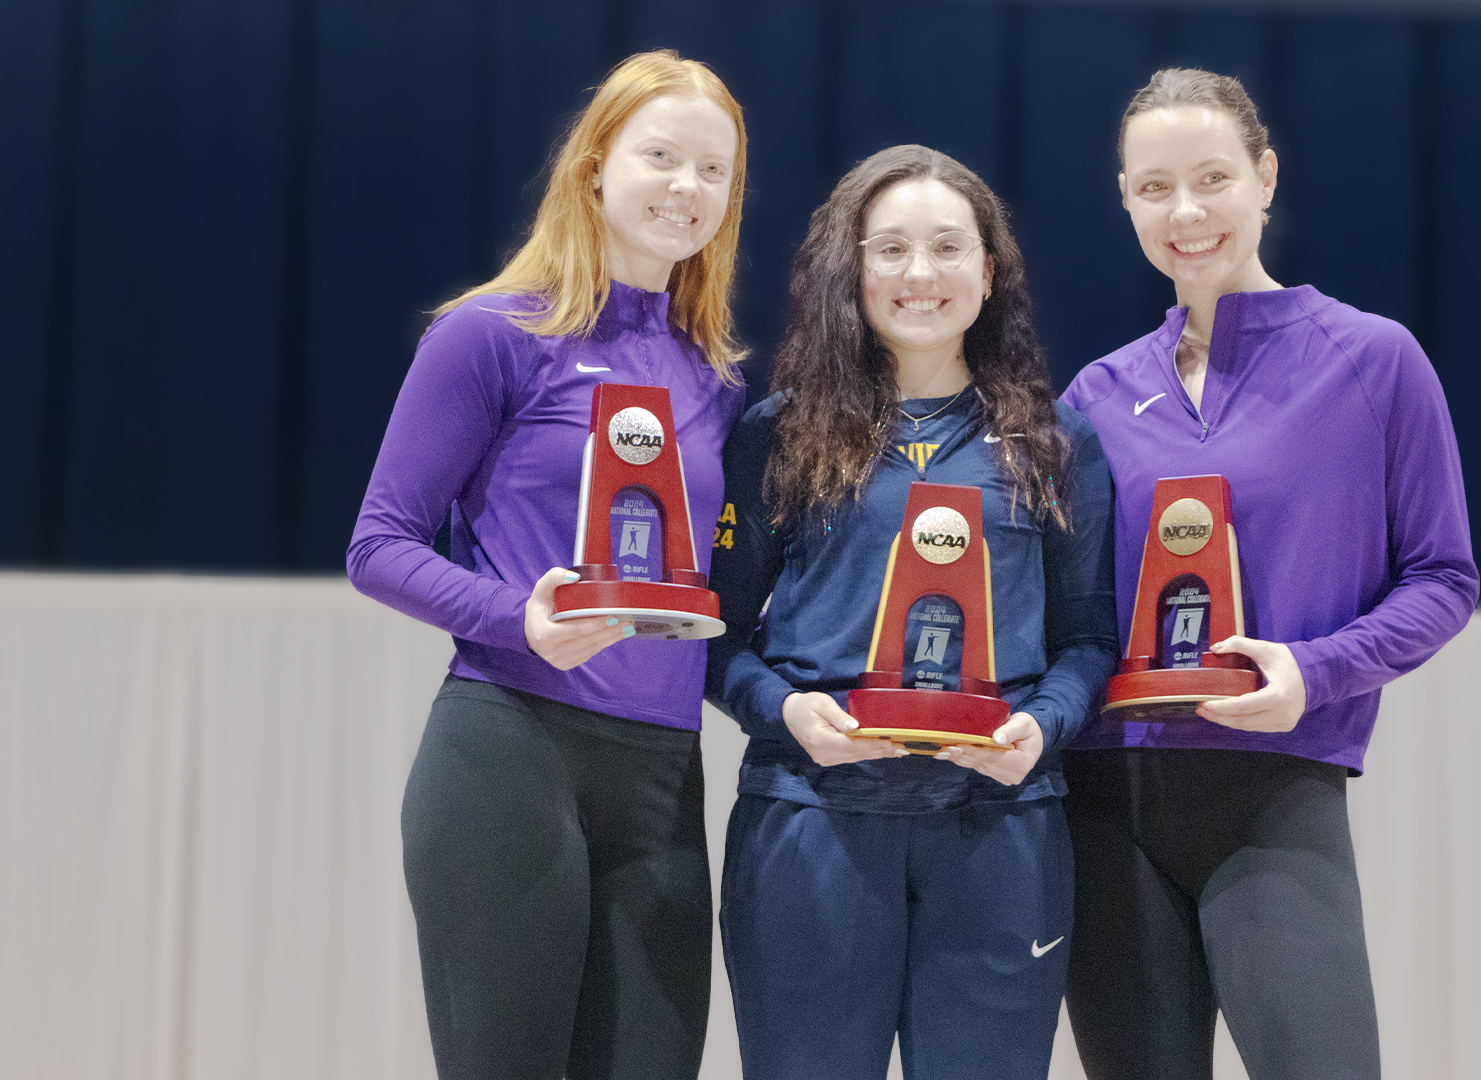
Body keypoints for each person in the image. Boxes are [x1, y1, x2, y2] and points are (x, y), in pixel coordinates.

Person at [1057, 68, 1480, 1080]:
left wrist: (1315, 671)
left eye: (1212, 178)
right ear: (1125, 199)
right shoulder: (1093, 398)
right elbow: (1061, 615)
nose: (1186, 211)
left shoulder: (1375, 363)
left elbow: (1442, 578)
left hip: (1277, 798)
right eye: (1153, 188)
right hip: (1106, 806)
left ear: (1266, 177)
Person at [345, 50, 748, 1080]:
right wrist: (515, 618)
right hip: (510, 751)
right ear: (596, 165)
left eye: (714, 170)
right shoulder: (490, 335)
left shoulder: (717, 382)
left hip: (660, 778)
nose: (686, 188)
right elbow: (379, 545)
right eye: (661, 156)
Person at [706, 144, 1117, 1080]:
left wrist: (1037, 730)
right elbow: (715, 638)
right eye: (889, 249)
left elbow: (1090, 642)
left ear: (990, 269)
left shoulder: (1057, 444)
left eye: (946, 247)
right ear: (847, 271)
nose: (919, 274)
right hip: (810, 820)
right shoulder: (778, 431)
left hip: (1001, 828)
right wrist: (787, 715)